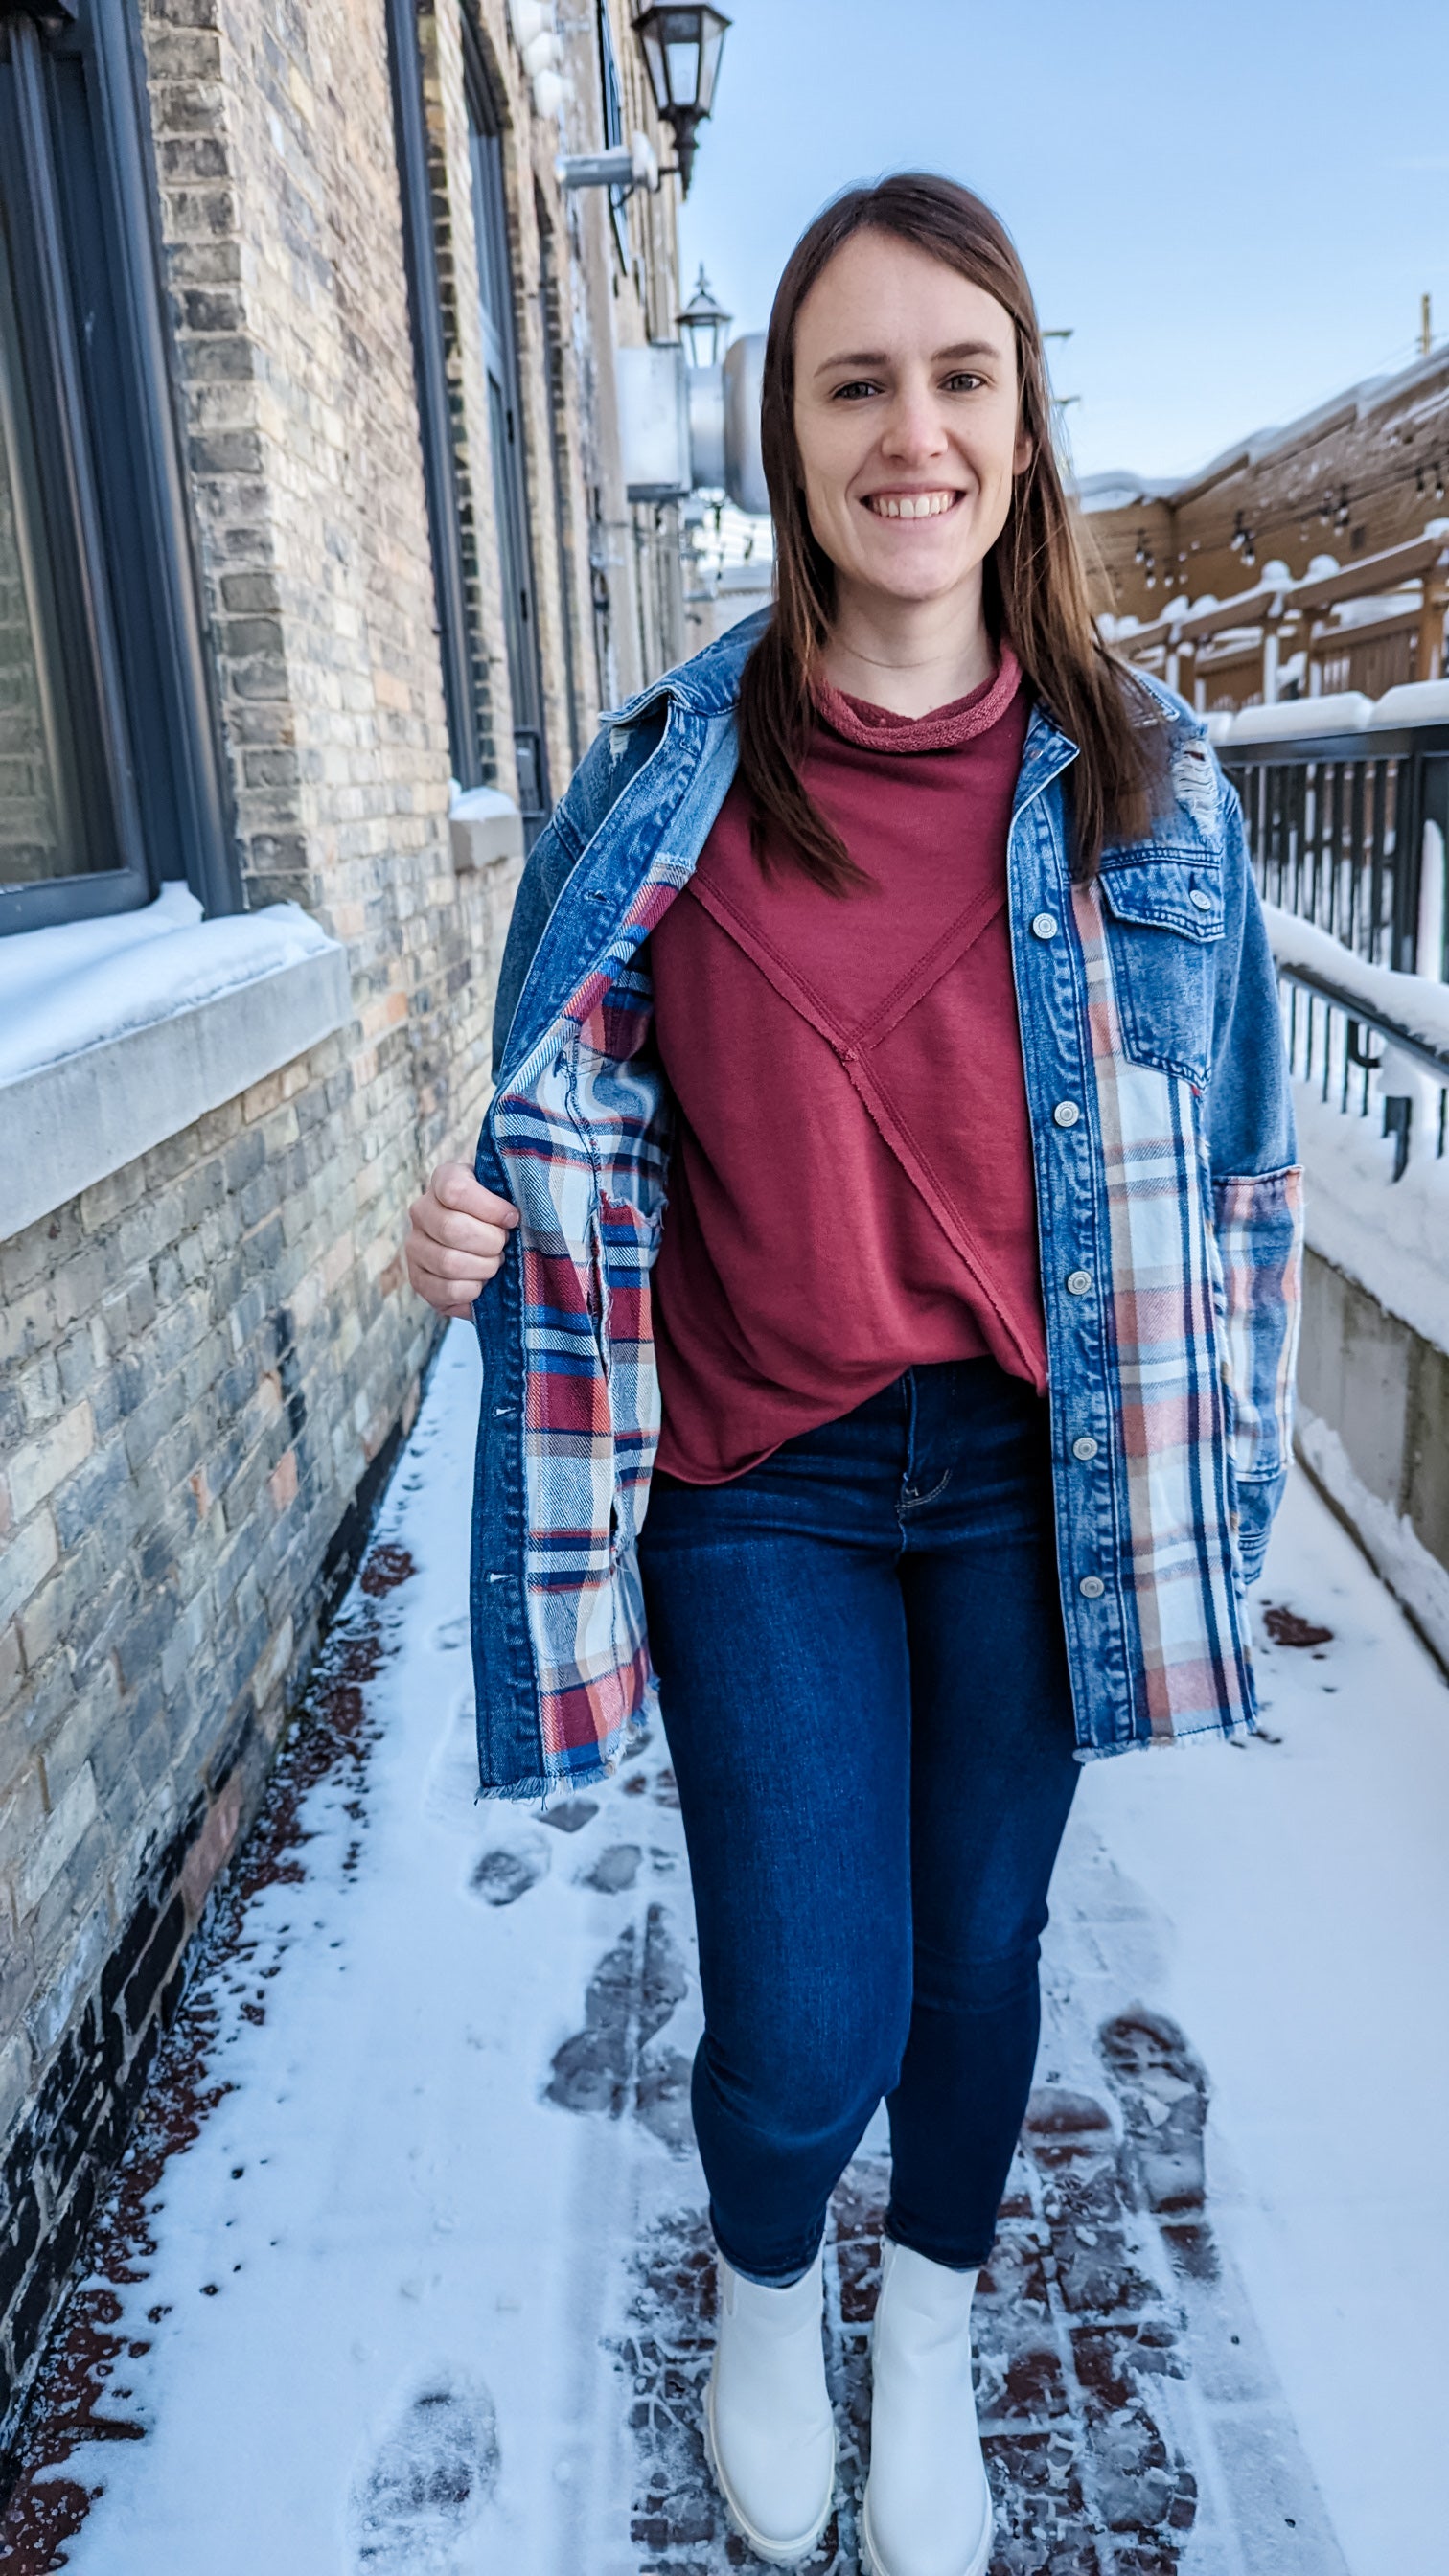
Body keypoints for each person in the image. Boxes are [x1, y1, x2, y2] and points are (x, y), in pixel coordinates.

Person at [404, 173, 1300, 2576]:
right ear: (785, 441)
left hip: (1035, 1478)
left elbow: (1234, 1190)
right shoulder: (659, 777)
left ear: (1022, 426)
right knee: (810, 2016)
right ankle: (766, 2286)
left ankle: (929, 2339)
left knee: (980, 1963)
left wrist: (1215, 1510)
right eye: (855, 383)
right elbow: (554, 1148)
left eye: (960, 376)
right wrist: (474, 1232)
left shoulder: (1155, 792)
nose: (912, 431)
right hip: (758, 1481)